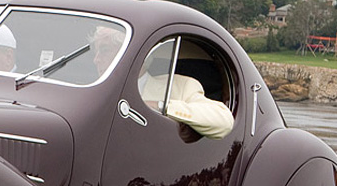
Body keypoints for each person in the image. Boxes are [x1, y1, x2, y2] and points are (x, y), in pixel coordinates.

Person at [92, 26, 234, 140]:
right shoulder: (90, 90)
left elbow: (224, 121)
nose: (95, 59)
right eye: (95, 51)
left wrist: (160, 106)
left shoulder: (178, 86)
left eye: (104, 50)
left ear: (129, 54)